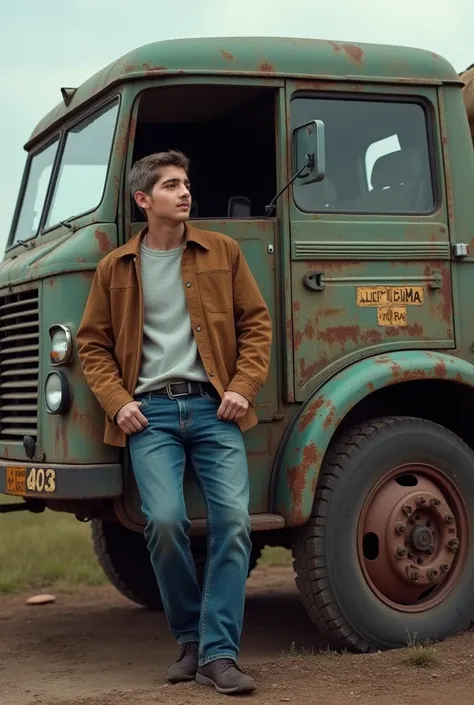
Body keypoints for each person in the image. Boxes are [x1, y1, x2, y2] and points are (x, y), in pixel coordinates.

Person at [76, 150, 272, 695]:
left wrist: (241, 387)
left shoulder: (222, 253)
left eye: (186, 183)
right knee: (161, 522)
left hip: (215, 408)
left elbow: (257, 324)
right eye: (170, 185)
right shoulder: (115, 267)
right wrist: (118, 402)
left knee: (234, 522)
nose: (184, 192)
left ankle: (218, 653)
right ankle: (191, 638)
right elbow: (91, 345)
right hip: (150, 415)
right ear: (144, 200)